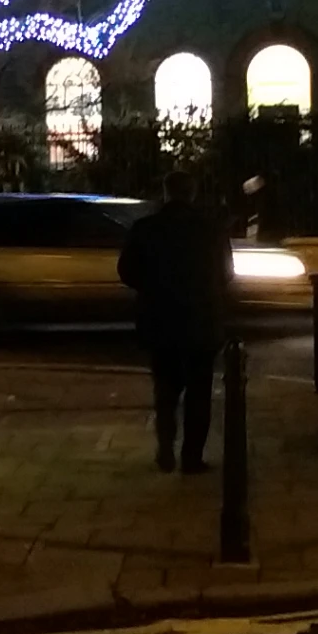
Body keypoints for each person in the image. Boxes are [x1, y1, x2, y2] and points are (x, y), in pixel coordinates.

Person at [117, 170, 233, 474]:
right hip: (200, 320)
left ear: (166, 192)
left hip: (160, 319)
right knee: (199, 393)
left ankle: (165, 448)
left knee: (165, 390)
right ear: (192, 193)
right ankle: (192, 457)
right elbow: (226, 274)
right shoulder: (211, 229)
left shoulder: (145, 228)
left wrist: (152, 286)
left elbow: (127, 272)